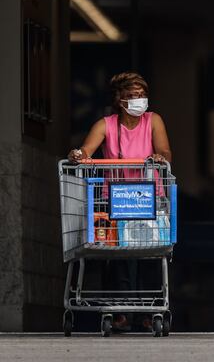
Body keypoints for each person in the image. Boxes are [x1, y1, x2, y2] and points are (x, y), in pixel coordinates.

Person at [68, 71, 172, 331]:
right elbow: (87, 151)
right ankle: (120, 313)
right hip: (115, 199)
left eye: (142, 95)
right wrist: (79, 155)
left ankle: (150, 310)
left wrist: (160, 157)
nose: (139, 100)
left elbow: (165, 151)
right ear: (119, 99)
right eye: (132, 96)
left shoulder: (153, 120)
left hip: (149, 197)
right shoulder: (106, 125)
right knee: (117, 255)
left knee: (150, 252)